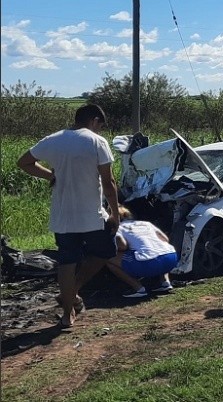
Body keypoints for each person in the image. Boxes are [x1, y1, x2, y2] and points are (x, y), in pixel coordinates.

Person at [17, 103, 120, 328]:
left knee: (67, 262)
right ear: (94, 121)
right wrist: (115, 214)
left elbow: (23, 162)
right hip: (92, 216)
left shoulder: (52, 140)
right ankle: (72, 292)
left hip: (62, 216)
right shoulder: (96, 141)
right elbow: (108, 182)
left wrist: (49, 176)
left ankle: (67, 314)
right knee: (104, 252)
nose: (99, 131)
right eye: (99, 126)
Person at [106, 206, 177, 298]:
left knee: (108, 258)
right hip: (171, 259)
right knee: (158, 248)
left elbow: (122, 245)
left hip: (148, 263)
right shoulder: (145, 223)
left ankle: (139, 288)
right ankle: (165, 282)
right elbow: (165, 239)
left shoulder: (118, 228)